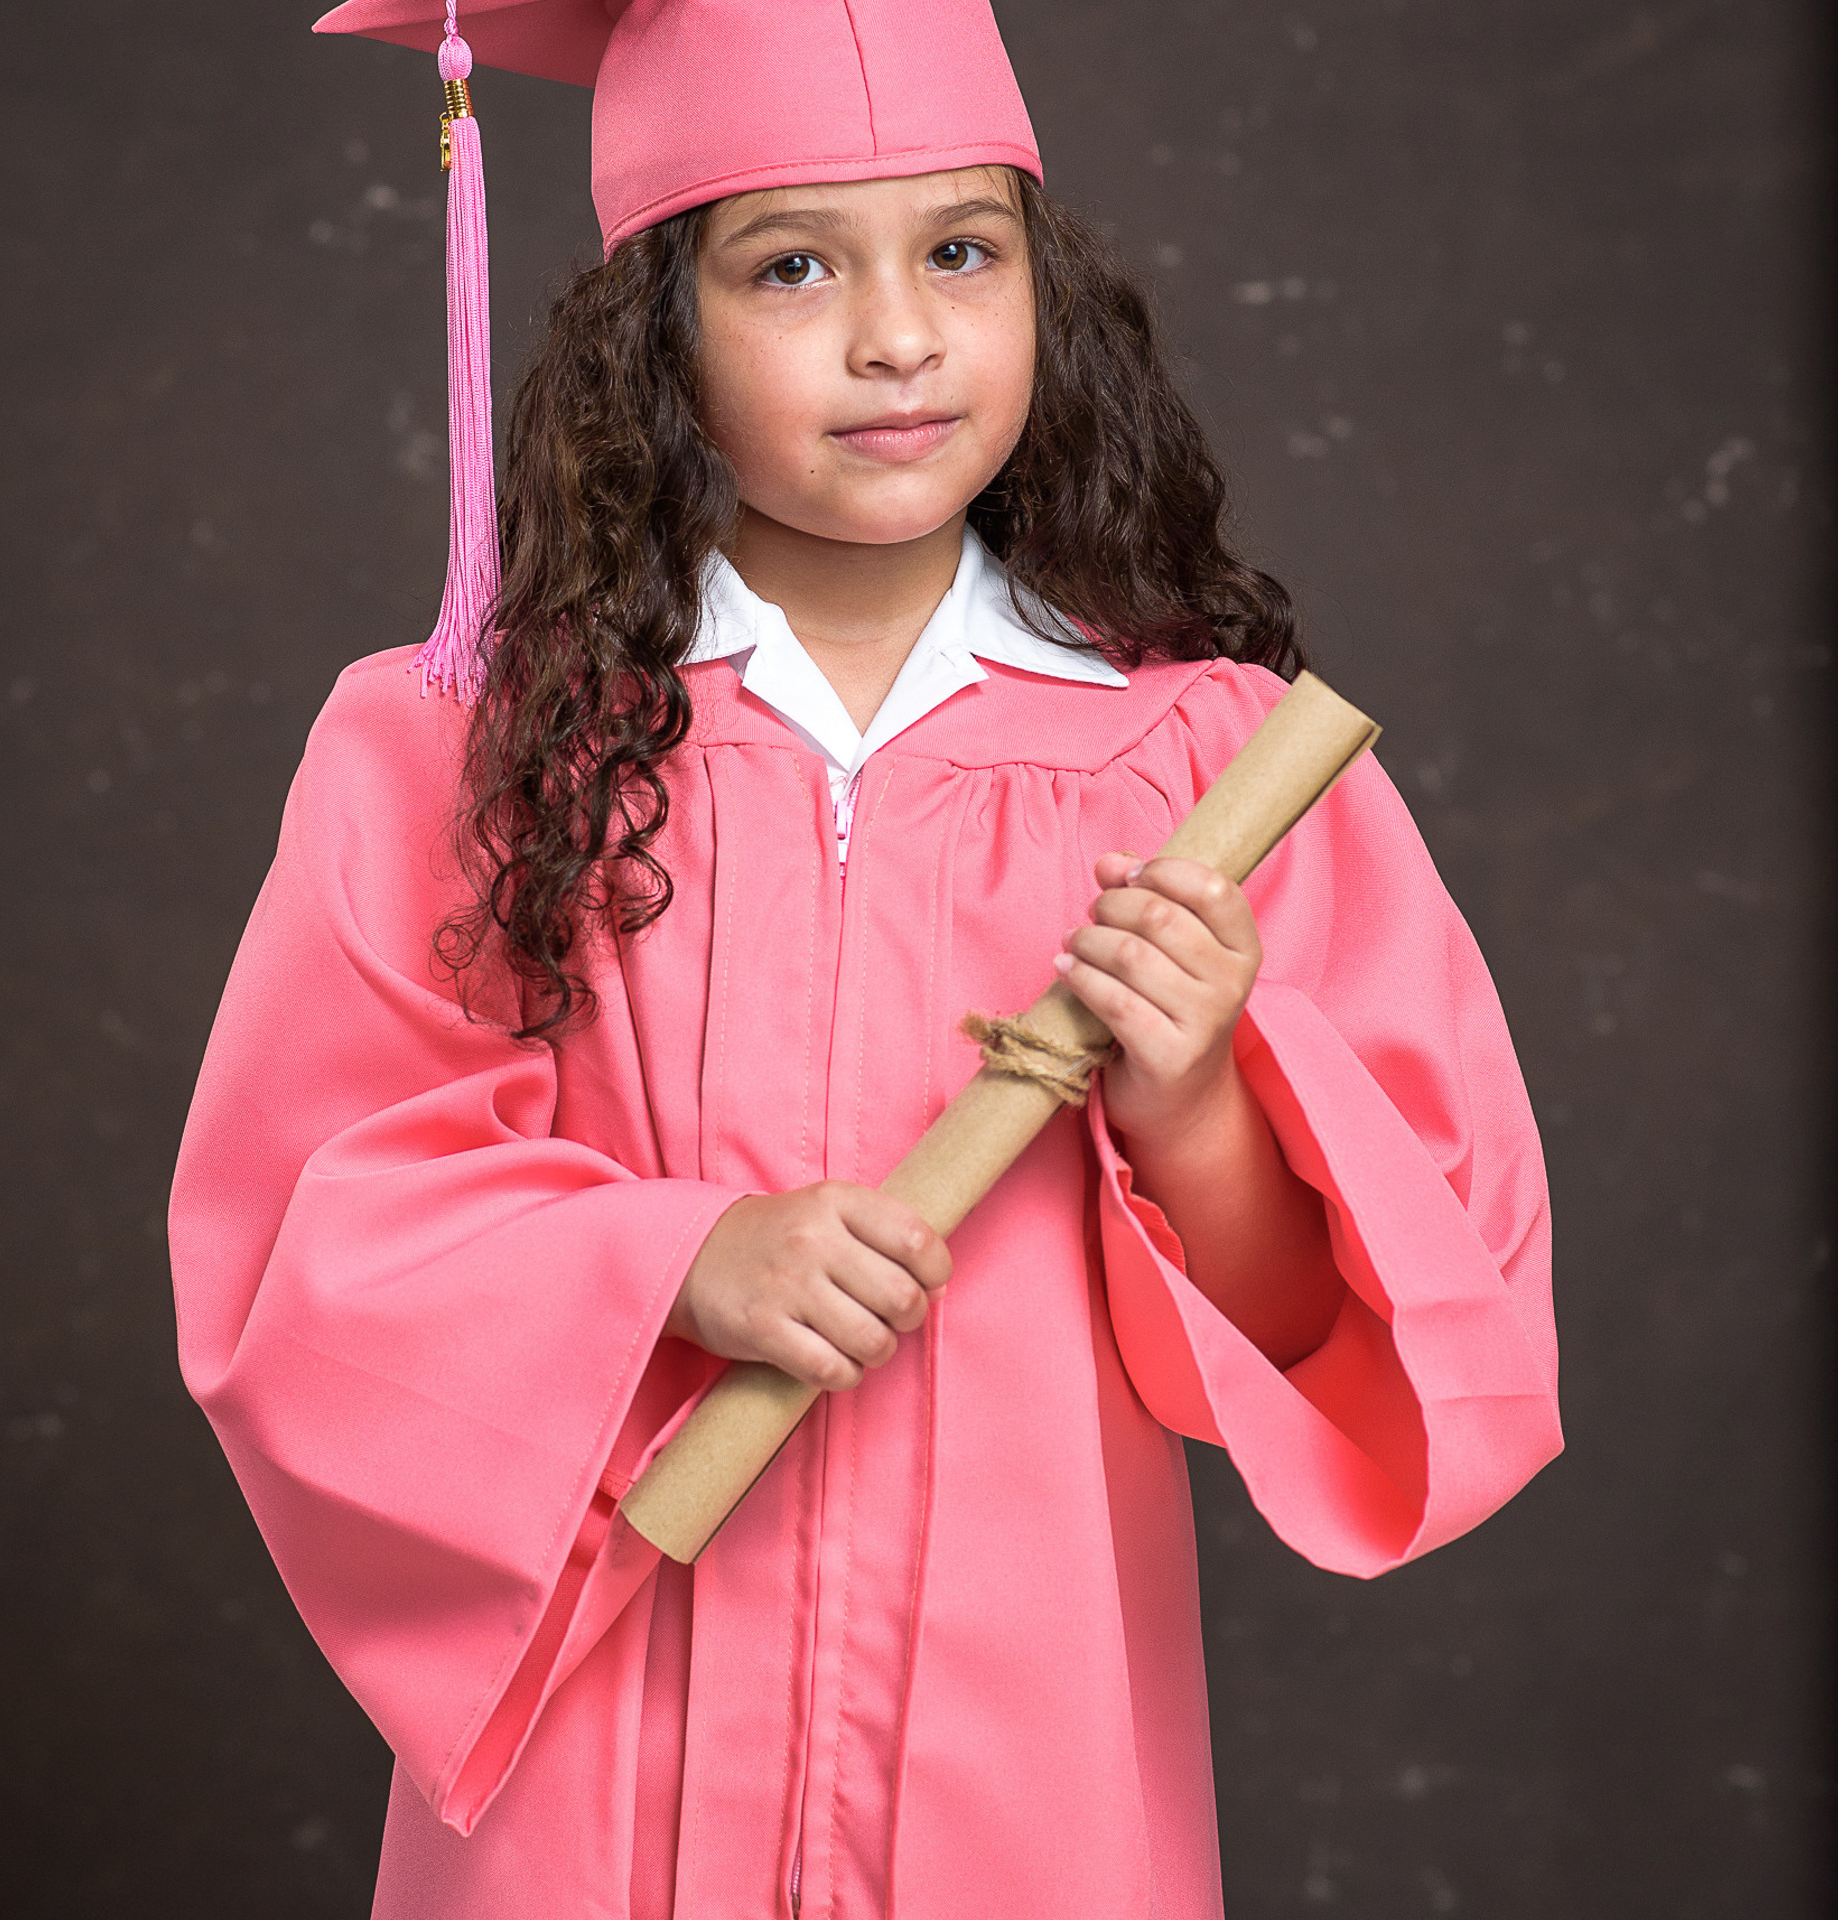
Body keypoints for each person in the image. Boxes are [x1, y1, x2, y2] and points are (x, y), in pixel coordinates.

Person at [169, 3, 1562, 1915]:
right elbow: (304, 1234)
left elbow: (1388, 1314)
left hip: (1031, 1759)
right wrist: (679, 1262)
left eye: (962, 253)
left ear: (1043, 297)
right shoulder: (468, 751)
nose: (897, 335)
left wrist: (1195, 1109)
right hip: (607, 1764)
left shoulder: (1201, 765)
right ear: (655, 330)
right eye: (796, 263)